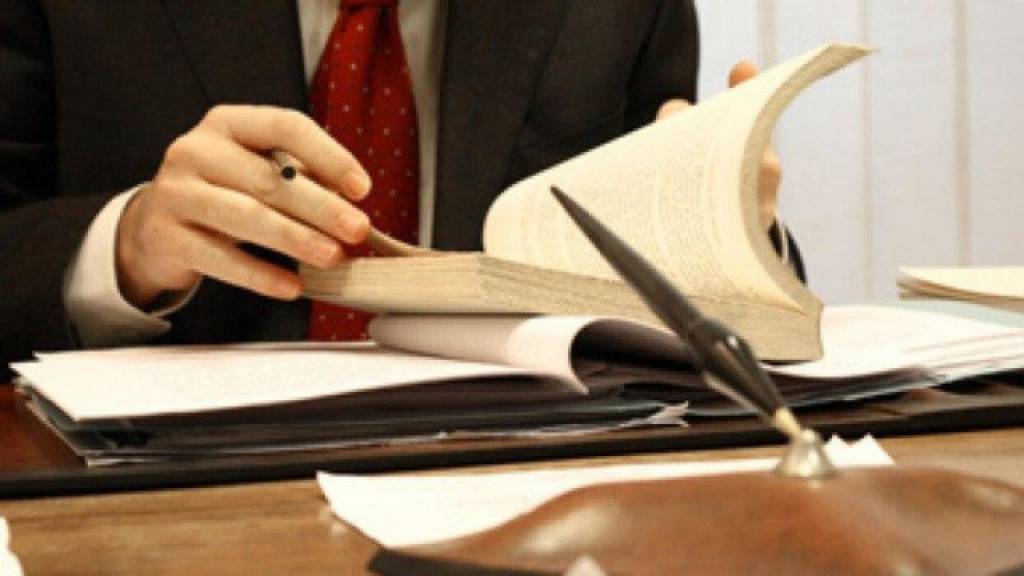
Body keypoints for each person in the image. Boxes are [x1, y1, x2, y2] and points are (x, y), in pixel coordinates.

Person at [0, 0, 795, 372]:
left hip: (521, 486)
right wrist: (124, 248)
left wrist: (726, 235)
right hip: (155, 500)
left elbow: (687, 330)